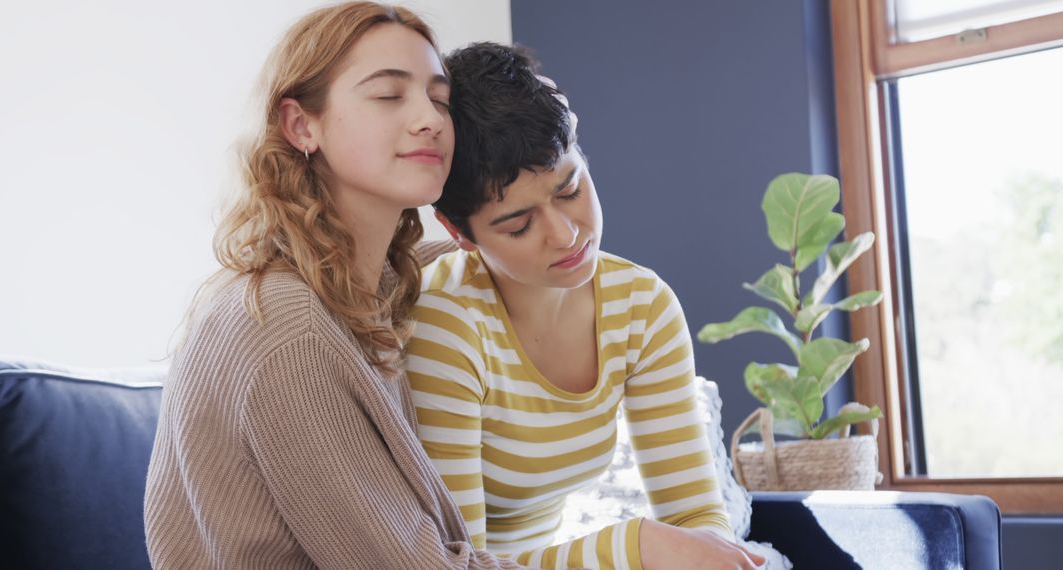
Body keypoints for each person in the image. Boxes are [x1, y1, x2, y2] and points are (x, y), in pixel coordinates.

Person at [144, 4, 530, 568]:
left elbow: (493, 259)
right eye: (388, 96)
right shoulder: (288, 328)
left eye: (439, 99)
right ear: (303, 125)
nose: (430, 120)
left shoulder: (373, 281)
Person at [405, 43, 767, 570]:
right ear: (460, 233)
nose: (566, 234)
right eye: (519, 224)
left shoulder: (642, 305)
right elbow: (462, 562)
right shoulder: (446, 328)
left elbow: (695, 520)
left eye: (570, 188)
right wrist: (637, 546)